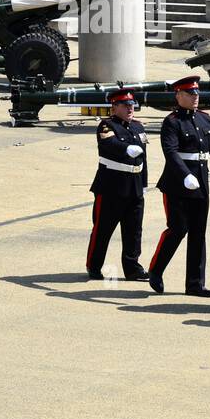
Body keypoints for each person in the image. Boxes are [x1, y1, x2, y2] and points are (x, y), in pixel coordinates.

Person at [147, 75, 210, 296]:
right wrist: (184, 175)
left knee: (199, 233)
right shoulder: (172, 121)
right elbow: (171, 152)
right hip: (177, 184)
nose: (195, 97)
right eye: (190, 94)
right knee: (178, 229)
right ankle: (156, 270)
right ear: (178, 95)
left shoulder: (205, 119)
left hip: (200, 181)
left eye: (197, 93)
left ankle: (194, 283)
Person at [86, 88, 151, 281]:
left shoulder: (139, 127)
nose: (130, 108)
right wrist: (125, 149)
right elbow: (109, 145)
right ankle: (94, 265)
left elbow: (143, 158)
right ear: (114, 107)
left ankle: (132, 268)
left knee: (133, 231)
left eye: (132, 105)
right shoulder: (107, 126)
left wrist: (144, 183)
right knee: (103, 229)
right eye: (125, 105)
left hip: (135, 186)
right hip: (111, 187)